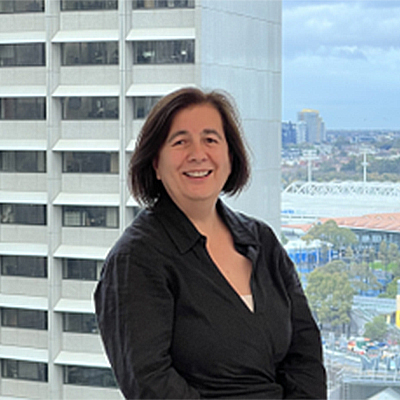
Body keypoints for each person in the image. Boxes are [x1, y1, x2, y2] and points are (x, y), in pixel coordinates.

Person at [94, 87, 327, 399]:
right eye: (180, 142)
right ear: (155, 164)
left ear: (230, 156)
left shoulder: (262, 241)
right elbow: (150, 382)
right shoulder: (136, 258)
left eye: (210, 139)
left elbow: (305, 353)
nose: (197, 154)